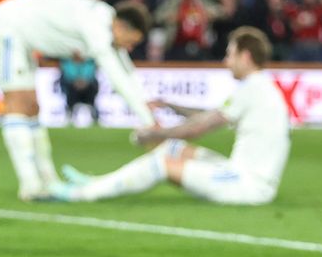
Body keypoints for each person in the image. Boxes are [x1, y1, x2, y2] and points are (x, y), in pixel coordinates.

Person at [60, 27, 290, 205]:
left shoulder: (253, 89)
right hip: (240, 174)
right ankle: (98, 183)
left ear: (246, 56)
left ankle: (81, 194)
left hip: (247, 186)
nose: (225, 61)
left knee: (162, 163)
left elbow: (200, 127)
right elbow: (209, 116)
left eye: (230, 54)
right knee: (173, 148)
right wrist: (170, 105)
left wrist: (155, 133)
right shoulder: (260, 87)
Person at [0, 0, 154, 201]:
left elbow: (127, 70)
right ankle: (30, 184)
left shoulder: (105, 21)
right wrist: (149, 123)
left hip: (19, 35)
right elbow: (116, 75)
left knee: (32, 107)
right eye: (131, 41)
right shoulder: (96, 25)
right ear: (121, 26)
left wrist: (150, 115)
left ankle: (48, 181)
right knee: (18, 102)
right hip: (2, 28)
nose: (130, 47)